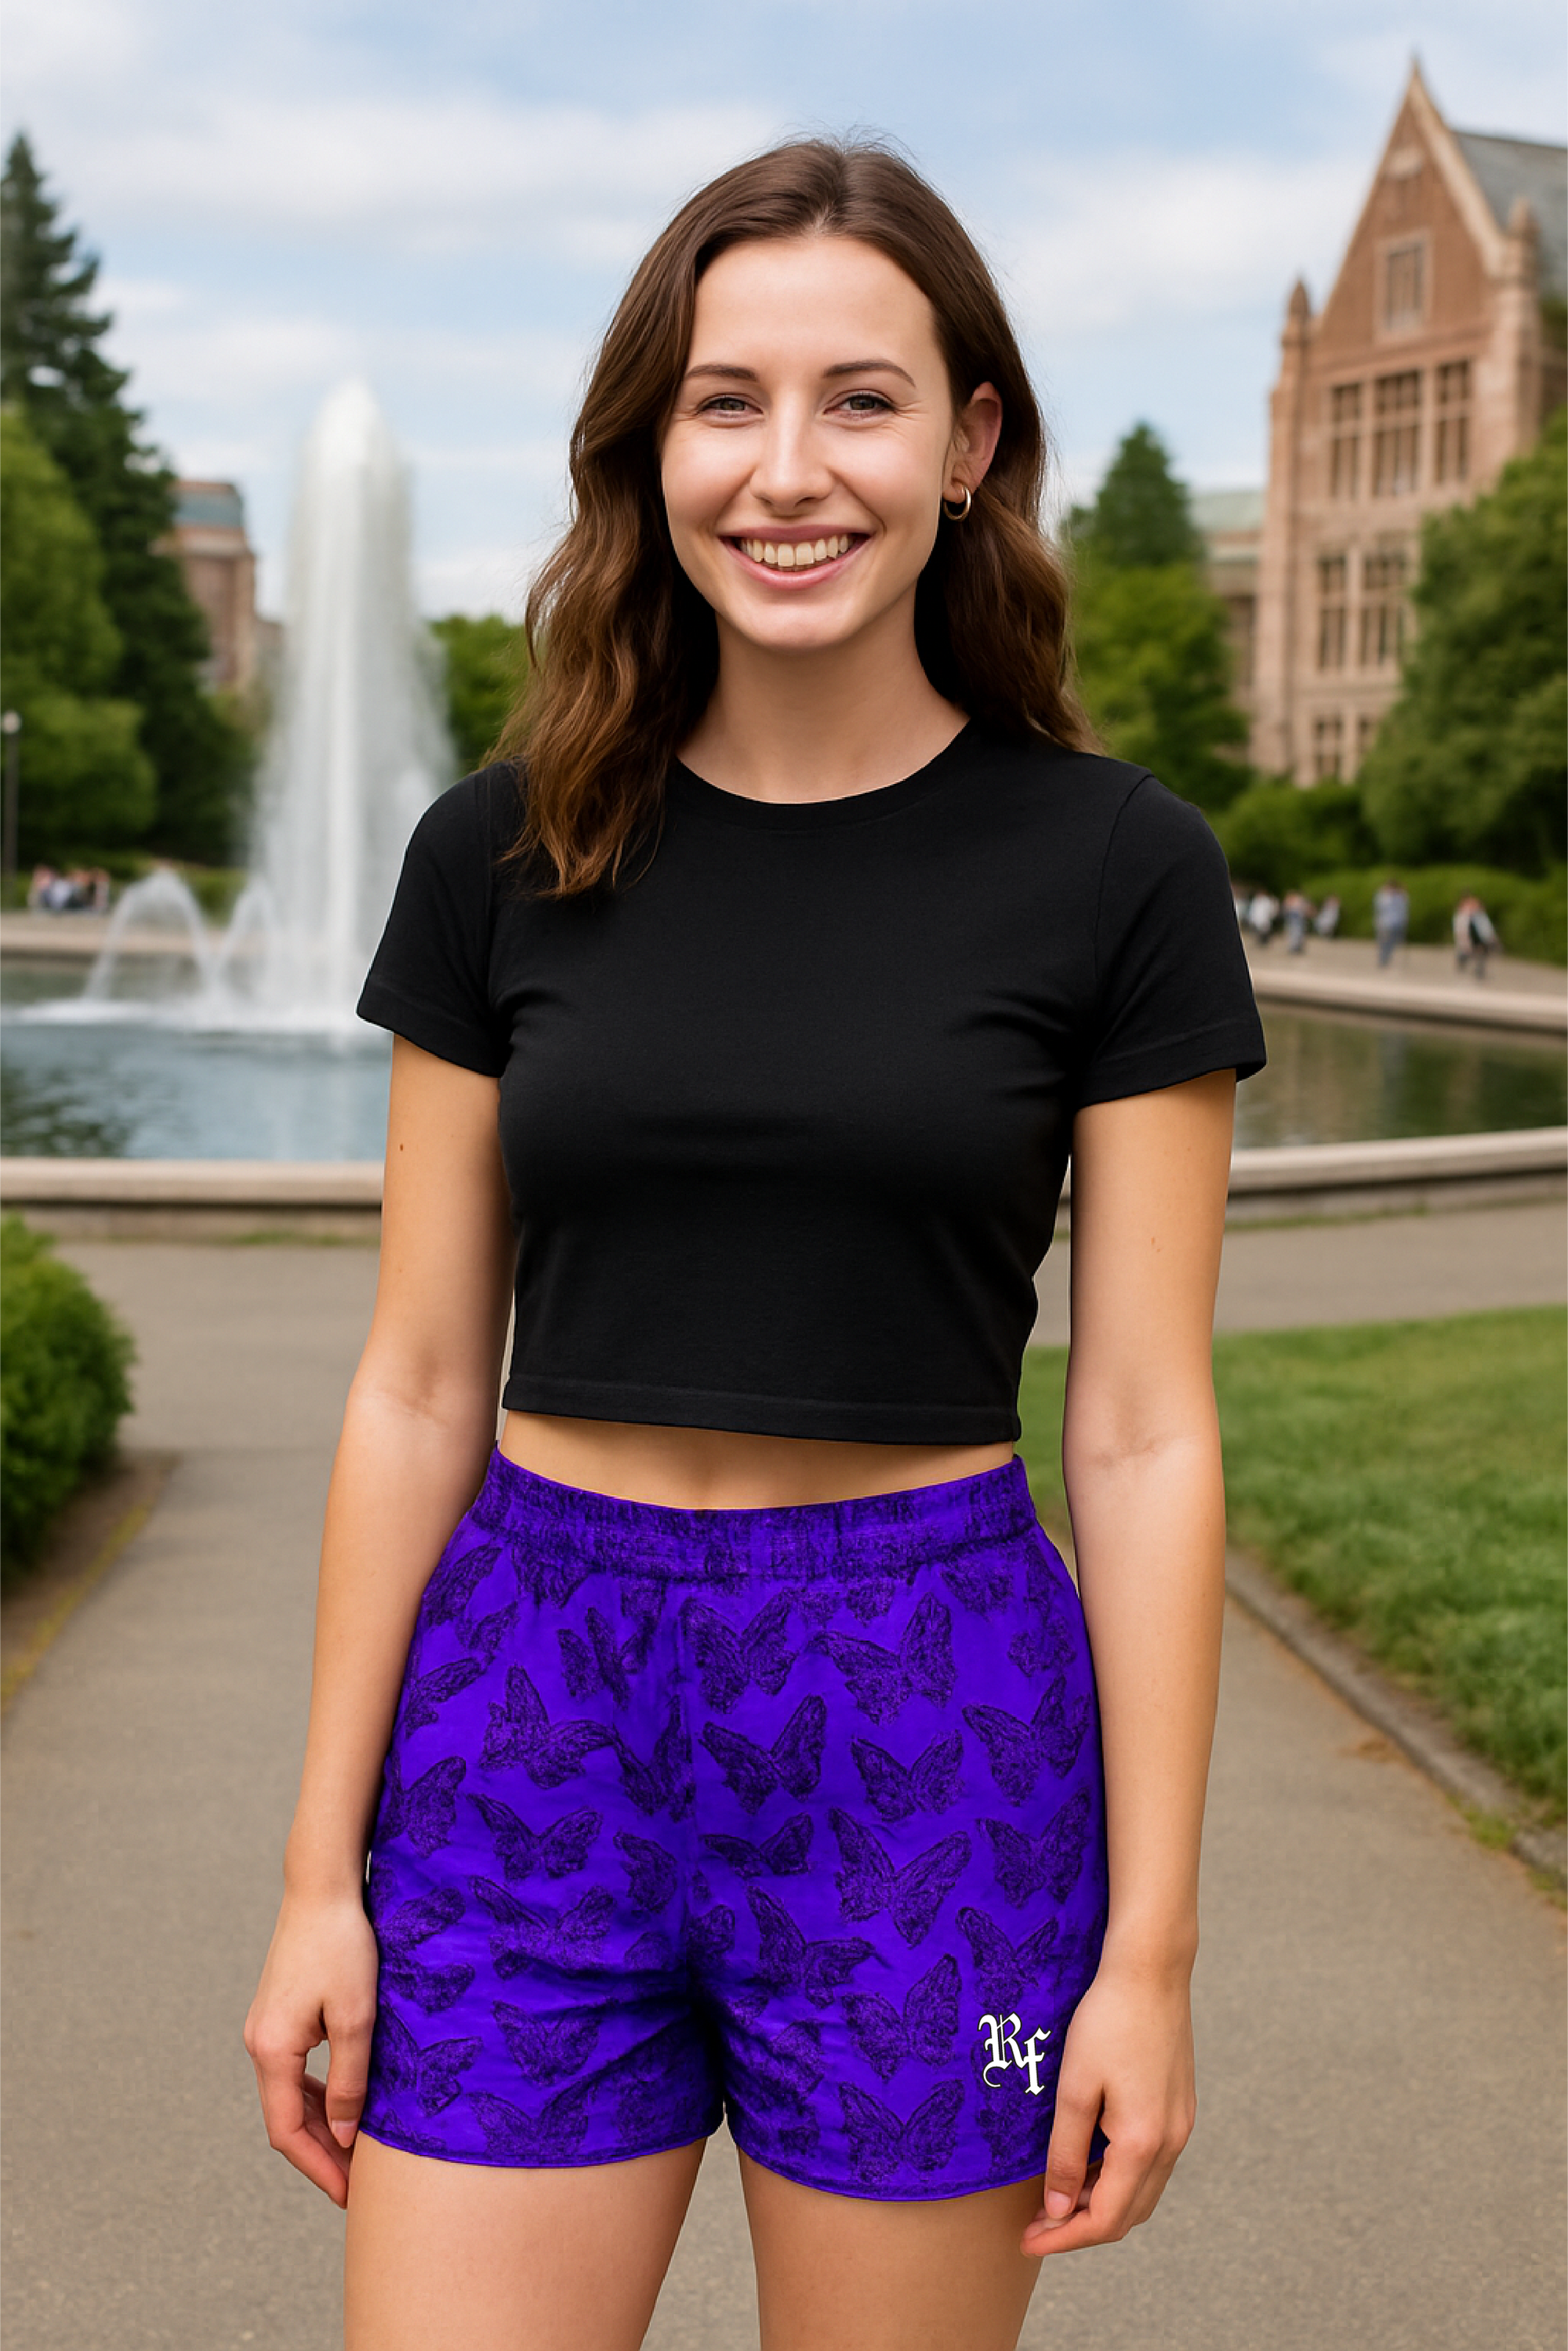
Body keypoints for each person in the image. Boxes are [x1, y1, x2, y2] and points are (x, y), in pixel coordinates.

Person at [245, 140, 1265, 2351]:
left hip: (943, 1752)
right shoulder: (499, 847)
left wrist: (1147, 1954)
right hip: (527, 1717)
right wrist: (320, 1872)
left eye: (863, 399)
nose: (787, 470)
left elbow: (1149, 1422)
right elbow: (421, 1378)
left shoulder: (1119, 868)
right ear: (651, 444)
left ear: (973, 442)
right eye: (727, 401)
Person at [1454, 892, 1497, 980]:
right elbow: (1461, 932)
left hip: (1480, 941)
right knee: (1466, 954)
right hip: (1469, 941)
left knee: (1481, 954)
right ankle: (1462, 960)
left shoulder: (1480, 917)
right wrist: (1465, 944)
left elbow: (1487, 929)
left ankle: (1479, 970)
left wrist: (1492, 939)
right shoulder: (1462, 917)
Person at [1373, 875, 1409, 968]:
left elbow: (1404, 910)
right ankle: (1382, 959)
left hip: (1395, 923)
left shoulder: (1400, 898)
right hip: (1383, 923)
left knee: (1392, 943)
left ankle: (1386, 959)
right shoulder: (1382, 897)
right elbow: (1378, 909)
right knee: (1383, 942)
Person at [1281, 887, 1311, 955]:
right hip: (1293, 919)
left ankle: (1297, 947)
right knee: (1294, 933)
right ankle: (1294, 947)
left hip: (1298, 919)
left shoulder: (1298, 900)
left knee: (1298, 933)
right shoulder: (1291, 901)